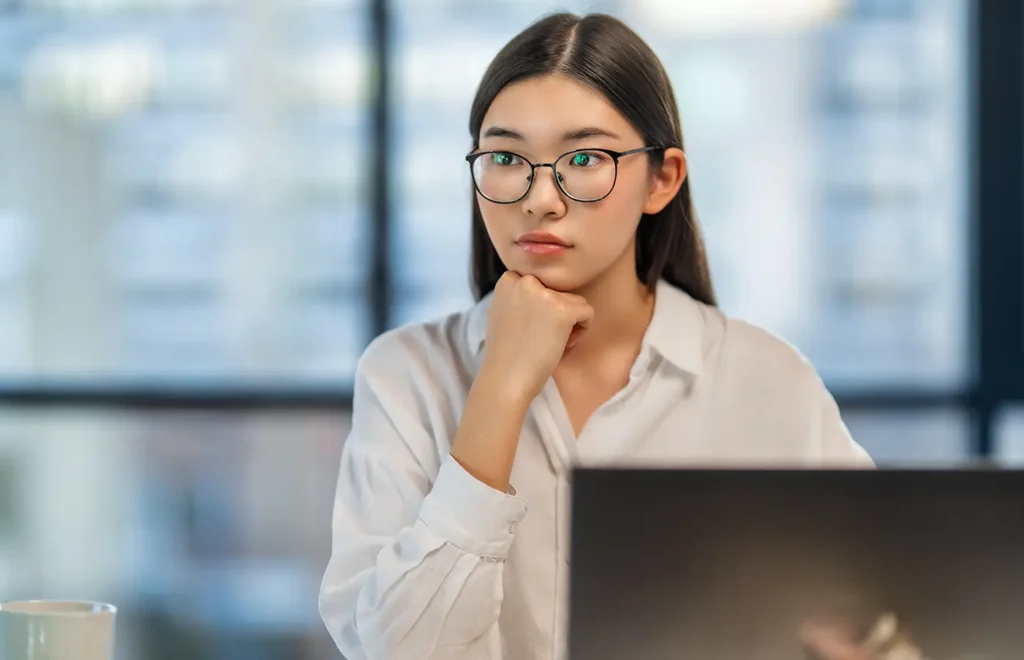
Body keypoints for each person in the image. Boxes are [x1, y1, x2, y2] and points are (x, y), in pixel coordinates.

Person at [319, 12, 873, 660]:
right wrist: (501, 385)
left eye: (584, 158)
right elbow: (398, 651)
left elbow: (875, 616)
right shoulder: (406, 374)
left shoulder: (766, 380)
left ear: (662, 179)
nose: (540, 199)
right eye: (505, 157)